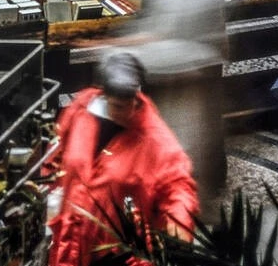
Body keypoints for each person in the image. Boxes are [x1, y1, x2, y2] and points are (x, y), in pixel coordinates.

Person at [119, 0, 234, 211]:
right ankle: (214, 175)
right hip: (211, 35)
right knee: (210, 108)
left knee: (163, 112)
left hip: (170, 41)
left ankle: (169, 178)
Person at [46, 51, 198, 266]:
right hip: (70, 245)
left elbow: (177, 185)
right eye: (117, 106)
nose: (125, 112)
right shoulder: (81, 109)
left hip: (117, 254)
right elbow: (55, 154)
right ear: (104, 95)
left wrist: (179, 221)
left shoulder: (154, 139)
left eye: (130, 104)